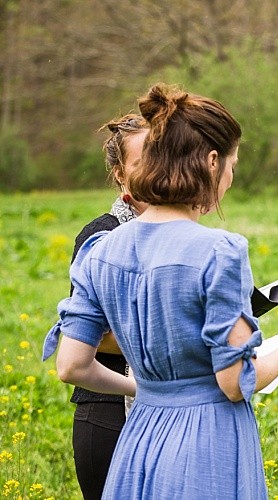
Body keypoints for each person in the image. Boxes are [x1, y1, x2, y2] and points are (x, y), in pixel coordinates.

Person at [43, 83, 278, 498]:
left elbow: (73, 365)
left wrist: (152, 390)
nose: (230, 179)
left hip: (137, 441)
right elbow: (234, 382)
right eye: (232, 166)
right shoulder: (220, 251)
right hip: (207, 443)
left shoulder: (99, 251)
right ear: (212, 162)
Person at [61, 113, 150, 500]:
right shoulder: (103, 235)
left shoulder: (176, 230)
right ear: (120, 174)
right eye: (141, 161)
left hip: (161, 412)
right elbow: (87, 338)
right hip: (110, 411)